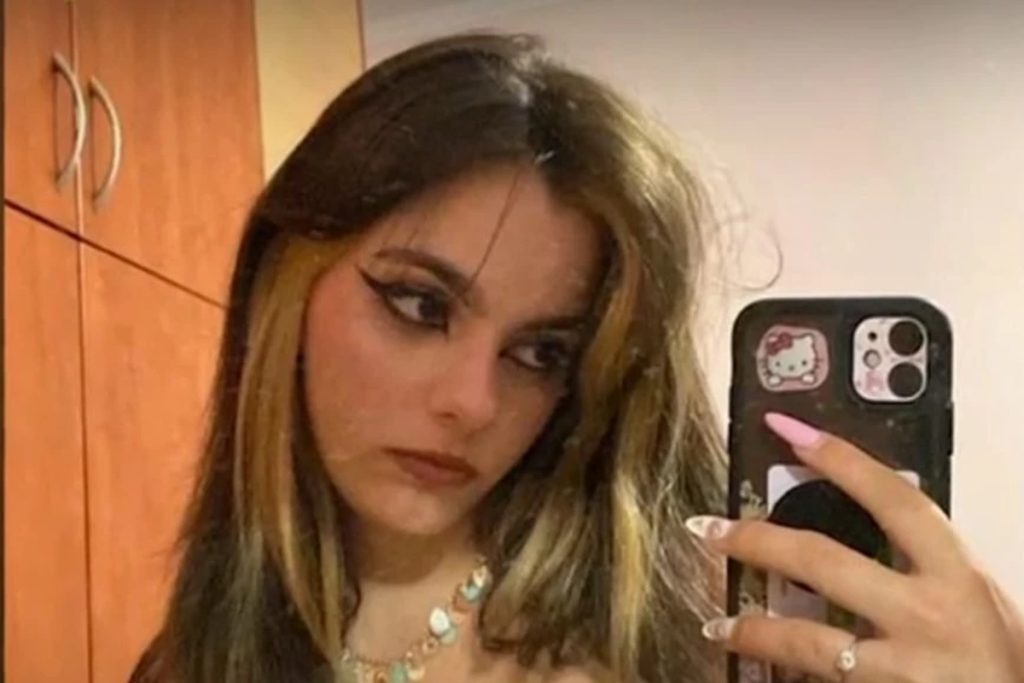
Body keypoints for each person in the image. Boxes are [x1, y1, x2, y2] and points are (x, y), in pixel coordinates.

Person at [130, 32, 1024, 683]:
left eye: (540, 350)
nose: (473, 401)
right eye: (419, 306)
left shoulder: (699, 636)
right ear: (287, 279)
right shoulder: (191, 659)